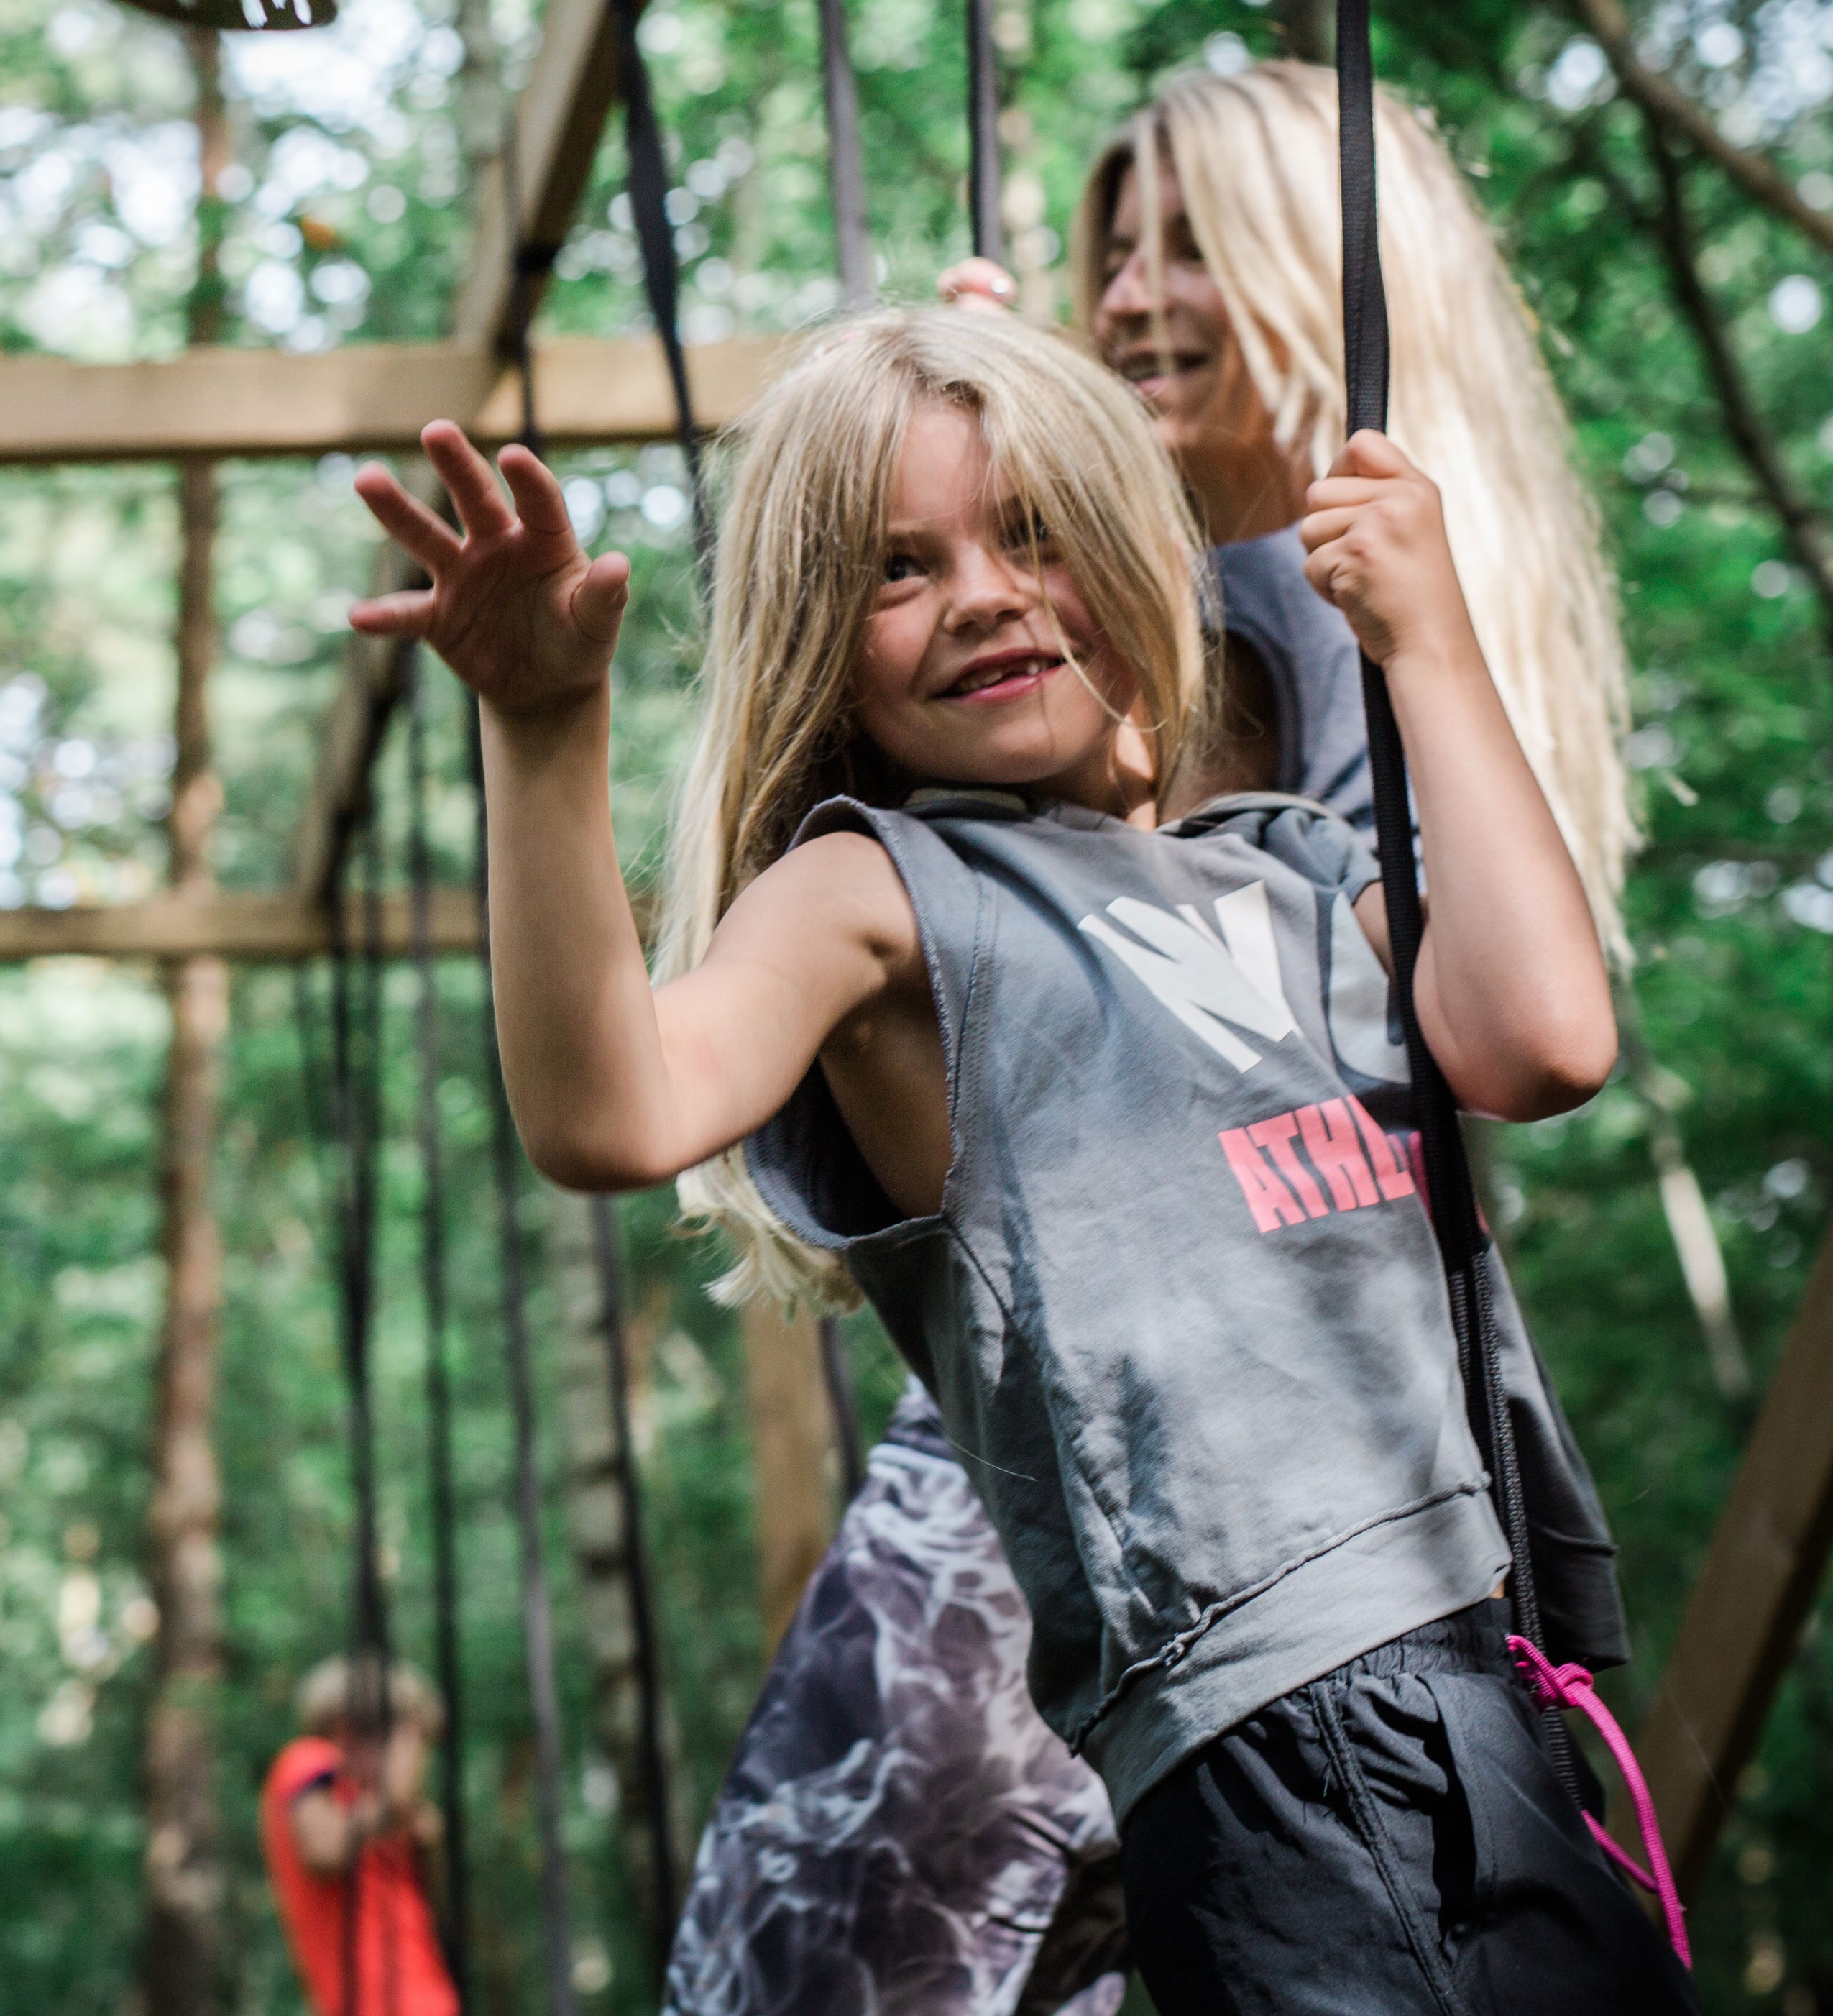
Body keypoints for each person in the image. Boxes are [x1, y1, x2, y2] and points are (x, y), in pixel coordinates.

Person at [349, 308, 1694, 2010]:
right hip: (1276, 1718)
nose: (982, 590)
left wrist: (1425, 642)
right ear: (817, 651)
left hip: (1488, 1686)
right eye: (896, 569)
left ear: (1135, 548)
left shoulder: (1284, 876)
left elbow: (1541, 1036)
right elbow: (606, 1112)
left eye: (1035, 529)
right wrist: (544, 732)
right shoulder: (884, 895)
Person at [665, 61, 1645, 2016]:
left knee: (832, 1947)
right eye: (1114, 251)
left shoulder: (1333, 603)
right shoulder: (1346, 597)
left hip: (1222, 1423)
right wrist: (979, 438)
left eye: (1189, 246)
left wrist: (1006, 471)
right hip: (1233, 1424)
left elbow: (1186, 869)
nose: (1131, 295)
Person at [259, 1657, 462, 2016]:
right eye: (398, 1738)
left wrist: (427, 1845)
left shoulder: (368, 1811)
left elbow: (437, 1916)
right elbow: (325, 1851)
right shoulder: (308, 1761)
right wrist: (414, 1725)